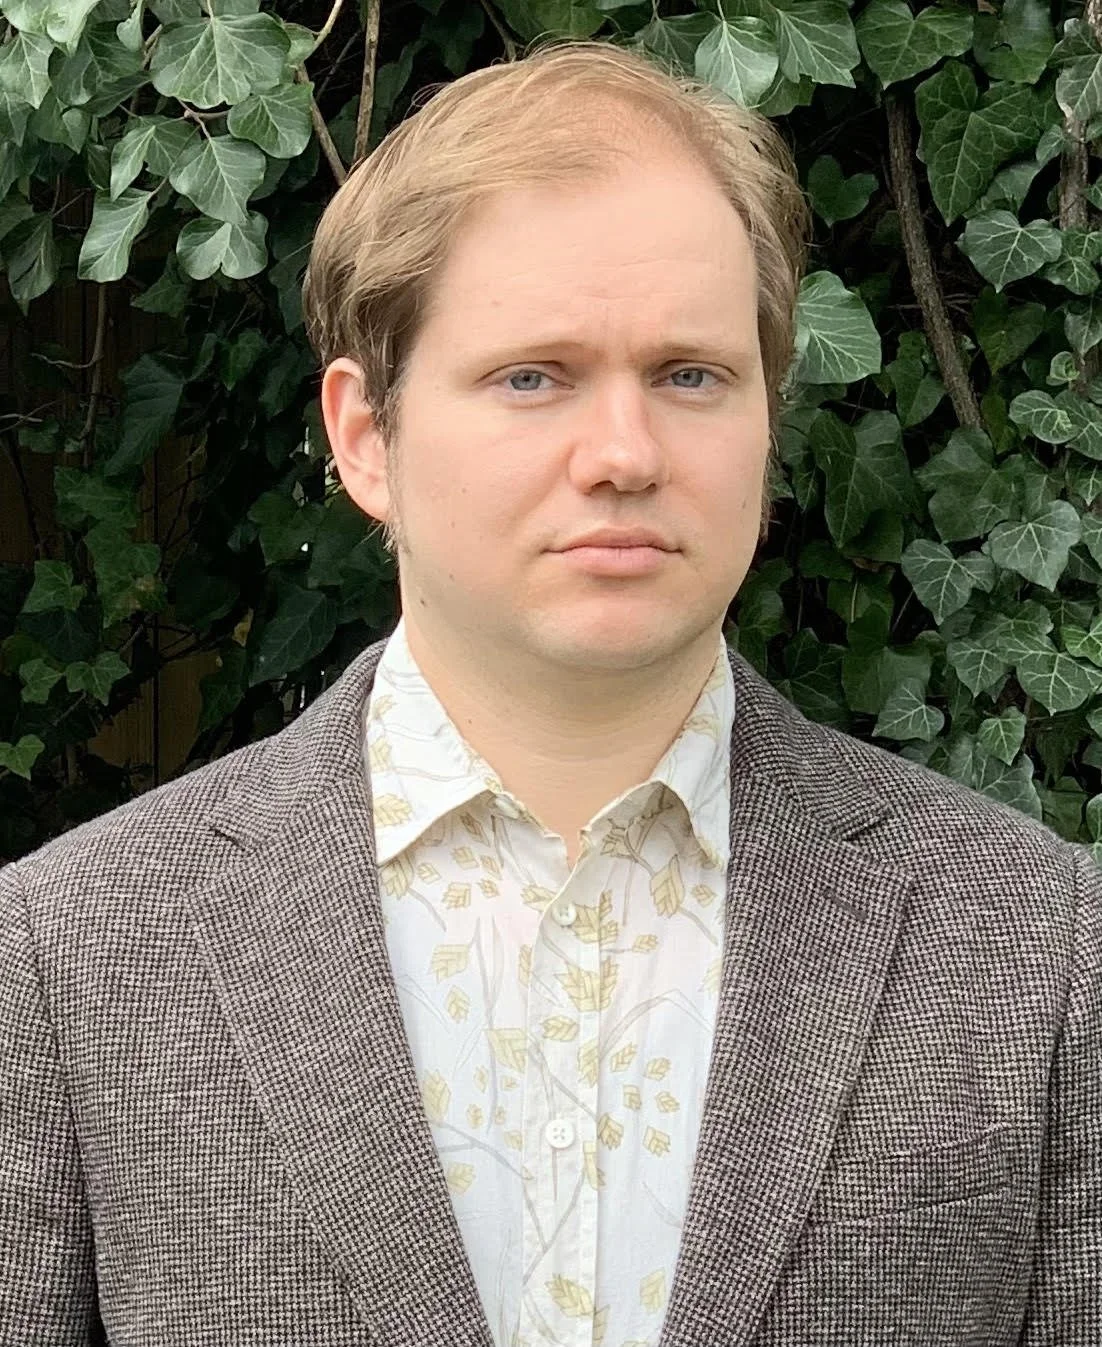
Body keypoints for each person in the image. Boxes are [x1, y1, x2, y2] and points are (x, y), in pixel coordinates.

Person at [1, 35, 1098, 1347]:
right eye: (533, 377)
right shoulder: (69, 954)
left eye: (690, 375)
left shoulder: (1035, 940)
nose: (624, 453)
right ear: (365, 437)